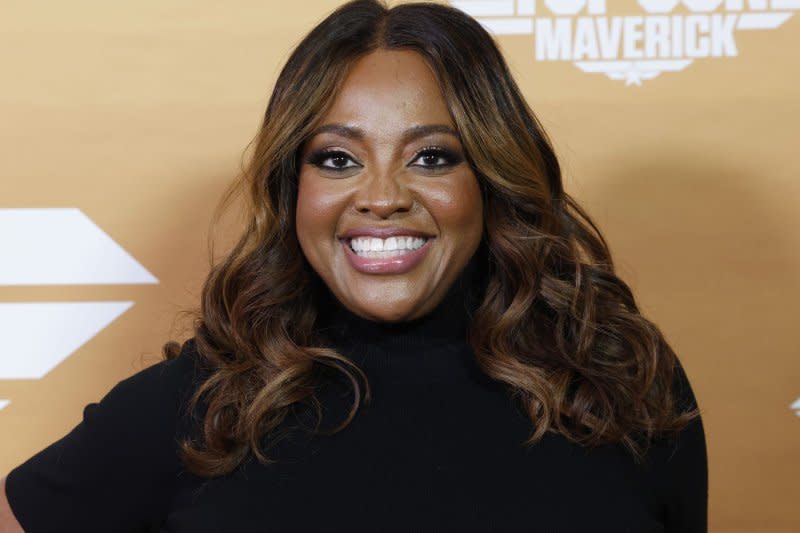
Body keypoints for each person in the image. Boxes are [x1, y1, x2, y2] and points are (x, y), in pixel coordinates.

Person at [0, 0, 708, 531]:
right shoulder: (198, 405)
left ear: (490, 179)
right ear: (293, 188)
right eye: (337, 158)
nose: (382, 196)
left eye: (431, 156)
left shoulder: (623, 383)